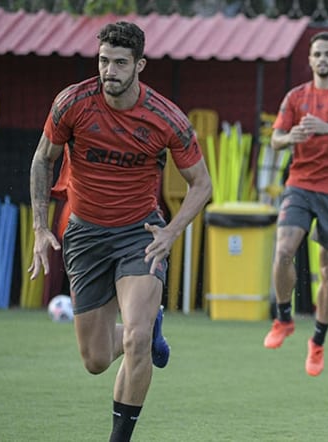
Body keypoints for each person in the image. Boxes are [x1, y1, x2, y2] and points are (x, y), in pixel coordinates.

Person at [28, 22, 212, 441]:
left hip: (139, 234)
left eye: (120, 63)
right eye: (103, 61)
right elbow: (43, 160)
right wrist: (40, 228)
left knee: (136, 339)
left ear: (140, 65)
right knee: (94, 360)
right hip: (85, 234)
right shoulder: (73, 102)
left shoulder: (166, 118)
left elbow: (203, 185)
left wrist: (171, 233)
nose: (109, 70)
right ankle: (148, 331)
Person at [262, 31, 328, 377]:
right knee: (283, 250)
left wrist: (323, 127)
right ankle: (283, 317)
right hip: (300, 185)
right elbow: (276, 138)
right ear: (309, 60)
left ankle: (318, 342)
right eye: (316, 54)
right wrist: (289, 136)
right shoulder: (296, 97)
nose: (322, 59)